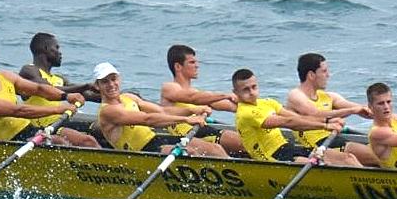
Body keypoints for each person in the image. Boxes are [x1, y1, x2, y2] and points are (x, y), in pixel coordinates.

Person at [228, 68, 363, 165]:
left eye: (254, 87)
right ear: (235, 92)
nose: (252, 92)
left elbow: (297, 117)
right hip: (271, 158)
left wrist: (327, 120)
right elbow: (288, 122)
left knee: (347, 159)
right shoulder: (245, 113)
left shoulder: (268, 102)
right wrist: (325, 126)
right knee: (322, 167)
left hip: (287, 148)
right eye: (246, 90)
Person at [0, 48, 93, 146]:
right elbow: (18, 111)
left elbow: (38, 89)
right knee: (58, 143)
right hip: (5, 143)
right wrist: (59, 109)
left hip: (29, 130)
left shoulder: (5, 76)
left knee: (83, 140)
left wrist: (66, 96)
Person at [93, 62, 227, 156]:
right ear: (97, 86)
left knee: (213, 148)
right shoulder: (108, 111)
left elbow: (162, 111)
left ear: (119, 79)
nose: (111, 84)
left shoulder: (129, 97)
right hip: (140, 153)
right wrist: (186, 119)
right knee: (190, 154)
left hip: (155, 140)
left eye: (113, 79)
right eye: (105, 81)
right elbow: (148, 119)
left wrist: (193, 111)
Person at [287, 53, 377, 166]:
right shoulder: (296, 95)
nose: (328, 75)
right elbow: (316, 114)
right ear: (311, 75)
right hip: (315, 148)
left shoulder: (329, 96)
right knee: (350, 159)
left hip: (334, 140)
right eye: (324, 71)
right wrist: (352, 110)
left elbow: (361, 109)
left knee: (381, 154)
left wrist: (384, 114)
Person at [17, 32, 100, 146]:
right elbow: (47, 90)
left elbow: (86, 94)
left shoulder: (59, 78)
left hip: (62, 121)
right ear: (46, 48)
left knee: (101, 127)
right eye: (56, 47)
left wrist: (114, 95)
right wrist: (85, 85)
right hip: (44, 127)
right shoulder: (29, 70)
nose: (60, 53)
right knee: (87, 141)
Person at [161, 44, 244, 155]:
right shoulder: (169, 87)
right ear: (178, 66)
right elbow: (192, 98)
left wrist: (245, 102)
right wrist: (225, 95)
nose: (197, 66)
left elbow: (229, 106)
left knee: (242, 141)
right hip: (184, 134)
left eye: (196, 62)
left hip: (202, 130)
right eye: (192, 62)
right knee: (216, 150)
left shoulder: (198, 93)